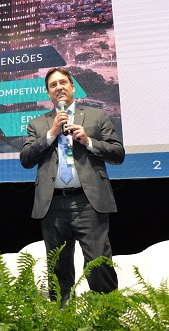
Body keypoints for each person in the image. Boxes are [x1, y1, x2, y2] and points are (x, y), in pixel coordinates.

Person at [19, 66, 125, 306]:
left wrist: (88, 141)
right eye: (53, 85)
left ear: (72, 86)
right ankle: (63, 320)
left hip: (89, 203)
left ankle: (106, 318)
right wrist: (51, 134)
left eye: (63, 83)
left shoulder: (97, 117)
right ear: (48, 94)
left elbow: (118, 153)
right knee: (58, 270)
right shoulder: (38, 124)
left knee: (99, 265)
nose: (59, 88)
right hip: (53, 204)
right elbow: (26, 159)